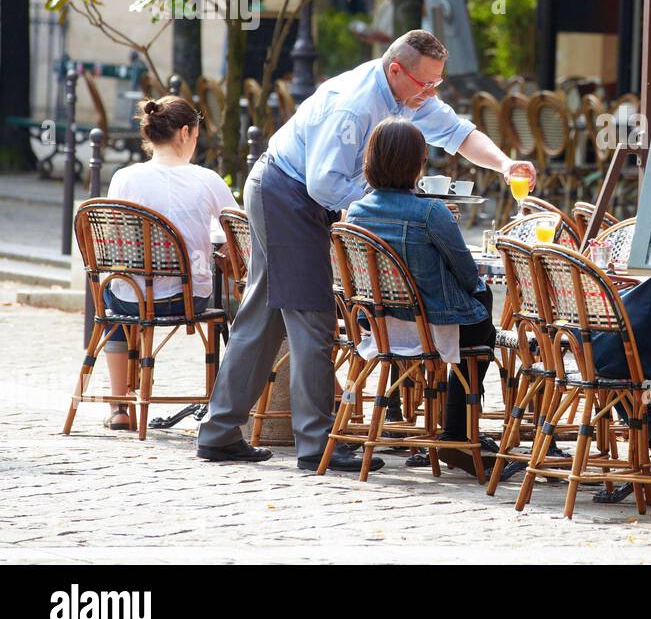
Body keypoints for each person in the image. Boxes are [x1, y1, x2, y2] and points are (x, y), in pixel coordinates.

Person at [196, 31, 535, 472]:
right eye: (425, 84)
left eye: (437, 83)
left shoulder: (407, 94)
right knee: (312, 316)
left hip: (295, 188)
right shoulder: (355, 105)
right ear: (397, 70)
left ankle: (220, 432)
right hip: (288, 190)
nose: (431, 92)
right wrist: (390, 203)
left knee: (265, 313)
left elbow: (456, 131)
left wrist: (505, 164)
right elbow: (323, 184)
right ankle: (318, 445)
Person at [345, 117, 498, 475]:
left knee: (477, 309)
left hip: (379, 326)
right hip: (432, 329)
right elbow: (466, 272)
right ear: (418, 163)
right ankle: (458, 433)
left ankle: (450, 428)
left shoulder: (357, 211)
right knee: (482, 310)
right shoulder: (431, 212)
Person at [98, 96, 238, 430]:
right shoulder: (207, 180)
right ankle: (218, 405)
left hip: (130, 299)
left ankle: (120, 405)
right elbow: (240, 232)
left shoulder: (124, 178)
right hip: (185, 299)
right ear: (186, 133)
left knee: (111, 293)